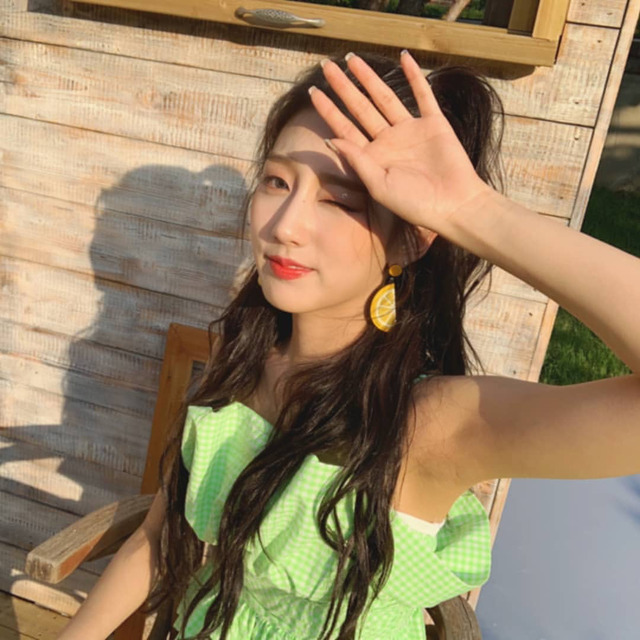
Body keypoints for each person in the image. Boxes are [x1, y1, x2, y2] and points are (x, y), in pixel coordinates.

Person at [57, 50, 640, 640]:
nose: (284, 225)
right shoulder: (247, 359)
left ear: (411, 241)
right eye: (278, 181)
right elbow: (158, 538)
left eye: (338, 199)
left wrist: (472, 210)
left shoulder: (429, 424)